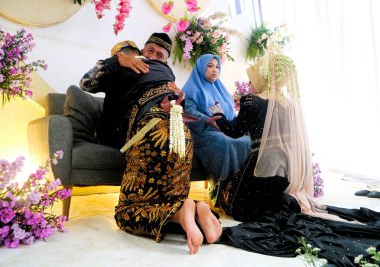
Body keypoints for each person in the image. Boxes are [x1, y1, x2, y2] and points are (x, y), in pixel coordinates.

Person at [205, 48, 380, 266]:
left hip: (259, 169)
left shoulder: (252, 100)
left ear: (265, 75)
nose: (251, 82)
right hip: (284, 172)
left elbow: (235, 131)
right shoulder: (289, 104)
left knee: (232, 204)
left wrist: (218, 119)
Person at [80, 33, 222, 255]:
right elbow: (89, 85)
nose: (153, 56)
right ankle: (195, 208)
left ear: (165, 61)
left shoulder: (134, 69)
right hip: (180, 131)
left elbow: (86, 83)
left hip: (149, 129)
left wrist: (116, 61)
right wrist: (119, 60)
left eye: (160, 54)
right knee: (170, 194)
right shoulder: (156, 74)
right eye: (150, 51)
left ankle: (182, 212)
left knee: (126, 213)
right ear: (142, 52)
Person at [181, 54, 251, 206]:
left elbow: (231, 114)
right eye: (210, 66)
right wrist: (207, 120)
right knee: (222, 142)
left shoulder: (221, 89)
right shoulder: (190, 89)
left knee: (246, 140)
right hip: (203, 132)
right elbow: (189, 112)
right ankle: (218, 186)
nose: (214, 70)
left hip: (224, 130)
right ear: (201, 68)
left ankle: (238, 187)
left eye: (217, 66)